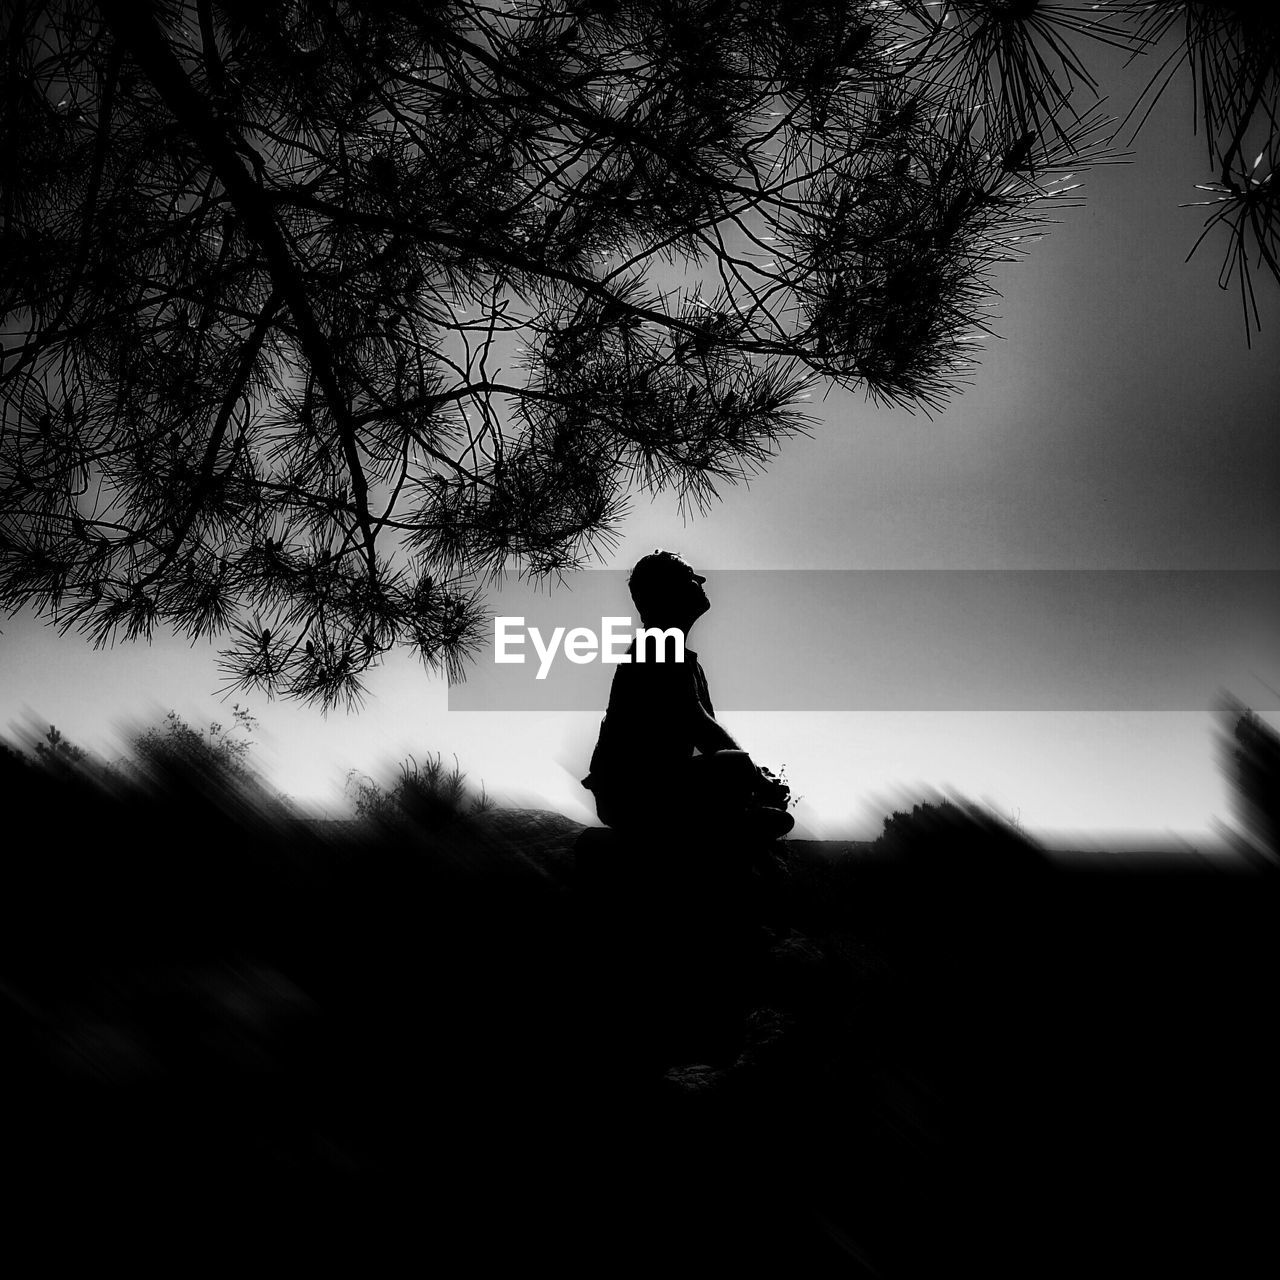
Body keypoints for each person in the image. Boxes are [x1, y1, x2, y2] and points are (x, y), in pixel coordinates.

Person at [581, 550, 793, 841]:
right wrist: (755, 777)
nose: (702, 581)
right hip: (633, 796)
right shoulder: (654, 650)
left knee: (744, 771)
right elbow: (701, 727)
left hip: (660, 784)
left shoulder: (682, 659)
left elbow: (705, 742)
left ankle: (727, 823)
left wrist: (756, 776)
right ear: (670, 590)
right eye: (692, 577)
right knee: (738, 767)